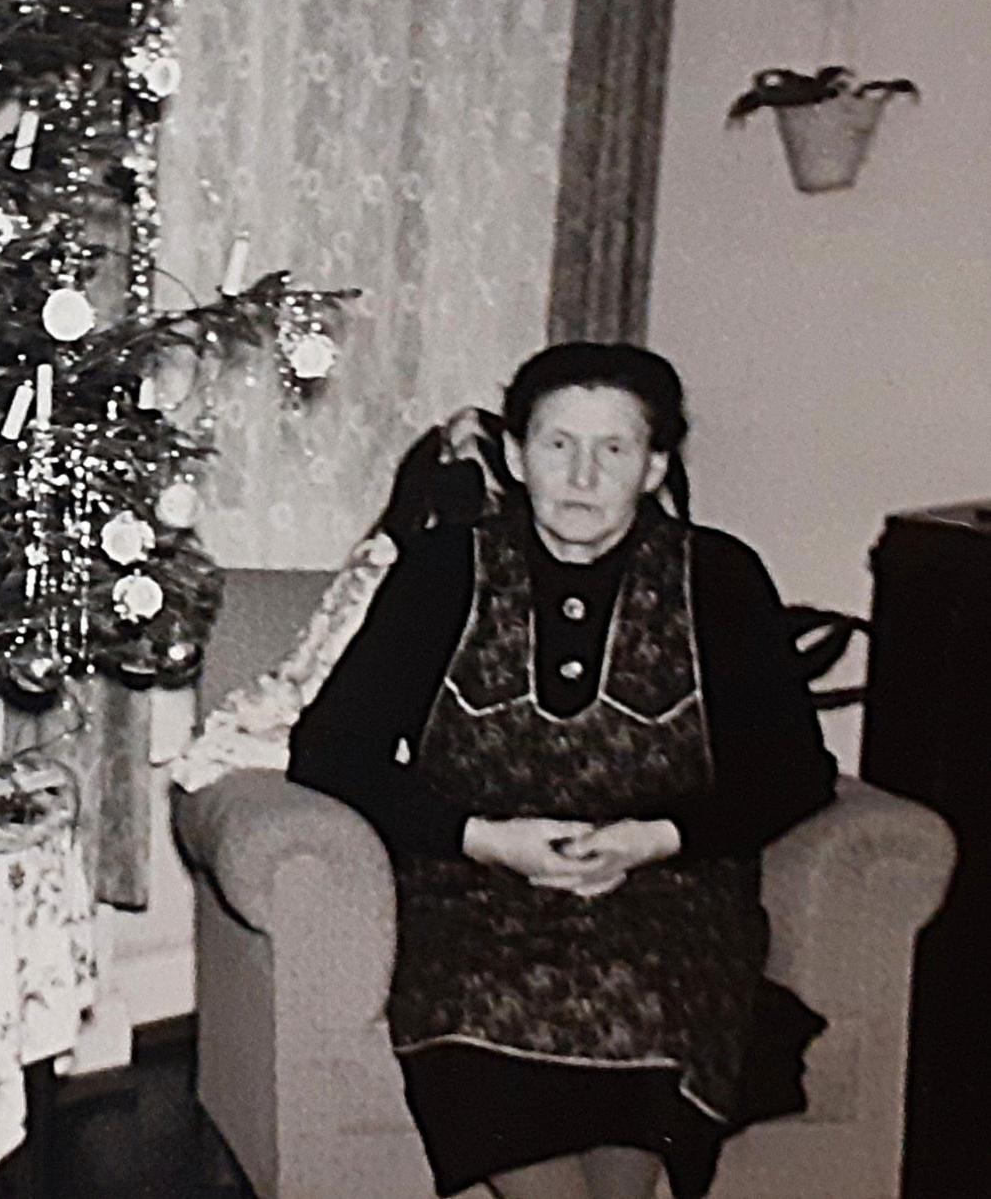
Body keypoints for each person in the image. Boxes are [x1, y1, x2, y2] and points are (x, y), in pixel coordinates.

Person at [288, 343, 836, 1199]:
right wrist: (484, 840)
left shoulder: (719, 577)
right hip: (471, 887)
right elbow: (329, 751)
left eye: (613, 449)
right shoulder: (442, 572)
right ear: (515, 455)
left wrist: (655, 840)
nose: (582, 474)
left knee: (652, 1001)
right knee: (481, 1013)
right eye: (556, 445)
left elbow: (796, 770)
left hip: (668, 888)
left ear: (654, 466)